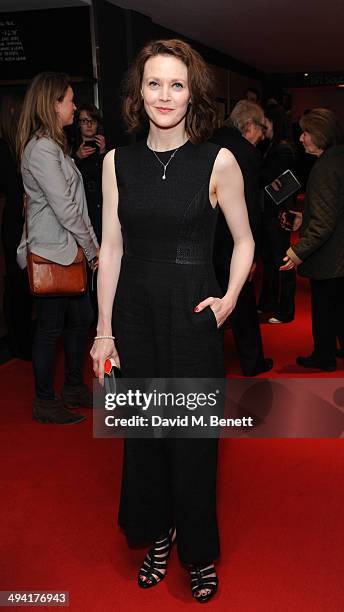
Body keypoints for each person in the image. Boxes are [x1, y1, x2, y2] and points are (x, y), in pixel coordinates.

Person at [90, 39, 254, 603]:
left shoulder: (219, 161)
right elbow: (110, 249)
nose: (165, 95)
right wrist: (103, 330)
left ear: (192, 94)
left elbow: (245, 240)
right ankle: (158, 535)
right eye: (154, 83)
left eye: (176, 85)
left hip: (190, 318)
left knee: (191, 440)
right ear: (139, 92)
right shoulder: (117, 162)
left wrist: (230, 297)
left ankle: (198, 552)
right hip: (133, 317)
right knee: (144, 438)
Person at [16, 72, 99, 424]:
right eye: (69, 100)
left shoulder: (55, 147)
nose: (74, 106)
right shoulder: (42, 149)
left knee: (81, 322)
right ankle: (45, 401)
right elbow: (66, 208)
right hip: (52, 253)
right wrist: (93, 248)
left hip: (67, 250)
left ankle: (74, 387)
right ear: (52, 104)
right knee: (51, 330)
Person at [212, 100, 273, 376]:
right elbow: (249, 208)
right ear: (248, 125)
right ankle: (253, 362)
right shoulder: (246, 154)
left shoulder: (211, 141)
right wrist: (252, 254)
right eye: (261, 128)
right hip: (232, 242)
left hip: (206, 241)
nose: (262, 135)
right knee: (243, 302)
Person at [280, 108, 344, 371]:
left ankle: (323, 357)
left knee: (325, 310)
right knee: (339, 307)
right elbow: (333, 211)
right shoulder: (338, 159)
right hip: (340, 252)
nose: (302, 138)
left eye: (306, 133)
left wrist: (295, 253)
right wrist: (301, 220)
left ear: (319, 135)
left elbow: (323, 224)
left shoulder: (324, 168)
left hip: (331, 257)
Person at [0, 93, 33, 360]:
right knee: (16, 282)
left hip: (24, 219)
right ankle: (18, 342)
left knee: (23, 282)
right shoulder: (6, 148)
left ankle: (23, 340)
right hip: (14, 221)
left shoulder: (22, 145)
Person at [258, 104, 296, 323]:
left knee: (282, 261)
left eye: (266, 122)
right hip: (273, 211)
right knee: (272, 261)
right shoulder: (274, 145)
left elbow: (268, 177)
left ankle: (285, 310)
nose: (263, 126)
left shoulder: (282, 149)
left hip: (279, 213)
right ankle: (270, 303)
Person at [73, 104, 106, 243]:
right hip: (81, 210)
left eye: (92, 120)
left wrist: (103, 152)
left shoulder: (104, 148)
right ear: (78, 124)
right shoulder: (70, 146)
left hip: (102, 209)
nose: (89, 125)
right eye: (84, 121)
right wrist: (76, 157)